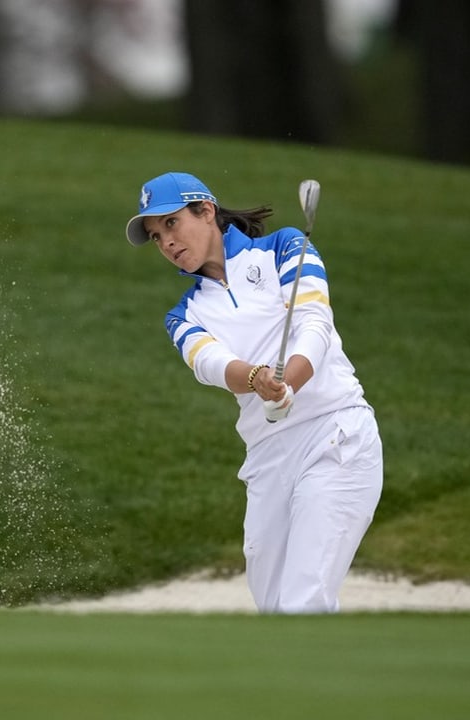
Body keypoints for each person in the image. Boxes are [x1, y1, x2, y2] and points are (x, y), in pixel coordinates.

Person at [126, 171, 383, 613]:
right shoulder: (184, 313)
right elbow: (211, 364)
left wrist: (288, 383)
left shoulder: (284, 247)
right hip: (268, 457)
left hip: (335, 435)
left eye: (170, 224)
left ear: (205, 210)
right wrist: (258, 380)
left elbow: (314, 324)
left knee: (304, 603)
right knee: (273, 608)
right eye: (154, 237)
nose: (165, 243)